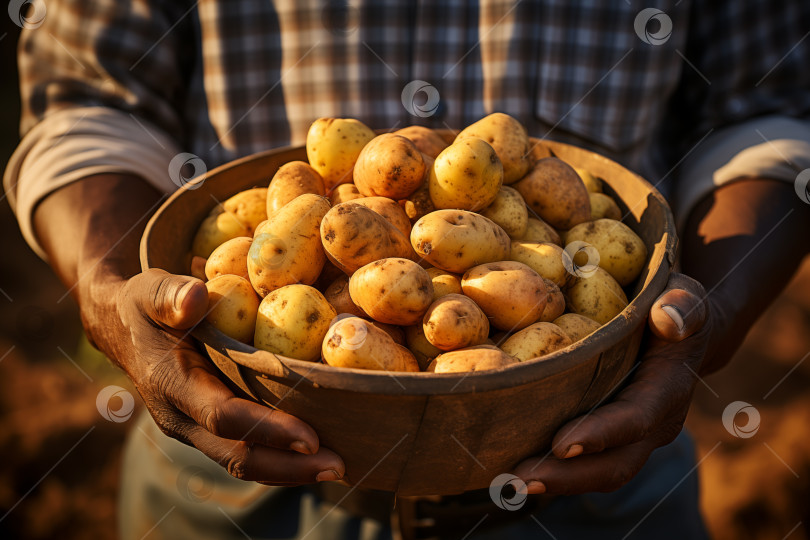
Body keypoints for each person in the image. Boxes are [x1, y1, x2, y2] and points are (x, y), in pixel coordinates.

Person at [4, 1, 810, 538]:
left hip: (589, 452)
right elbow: (87, 95)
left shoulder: (514, 232)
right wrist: (109, 288)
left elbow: (772, 106)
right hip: (233, 460)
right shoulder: (295, 238)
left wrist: (704, 321)